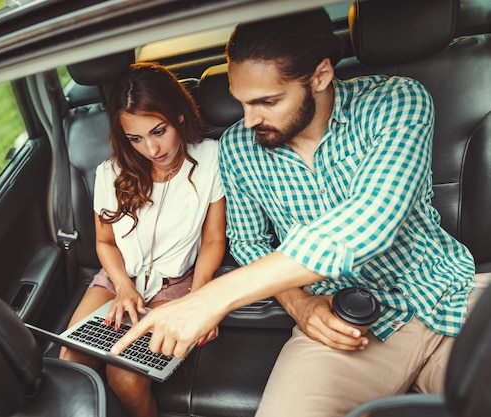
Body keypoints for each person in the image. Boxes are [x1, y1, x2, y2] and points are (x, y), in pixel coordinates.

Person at [112, 9, 489, 417]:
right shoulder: (240, 147)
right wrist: (299, 305)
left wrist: (208, 298)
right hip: (336, 318)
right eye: (241, 102)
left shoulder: (396, 101)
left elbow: (371, 218)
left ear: (321, 76)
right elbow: (247, 240)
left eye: (267, 101)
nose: (248, 119)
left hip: (448, 294)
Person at [59, 62, 225, 417]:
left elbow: (213, 240)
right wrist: (122, 285)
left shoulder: (211, 158)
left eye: (158, 131)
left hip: (175, 284)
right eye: (135, 138)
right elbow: (104, 243)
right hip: (118, 279)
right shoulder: (111, 171)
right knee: (70, 362)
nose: (151, 148)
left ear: (179, 116)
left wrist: (201, 298)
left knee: (126, 377)